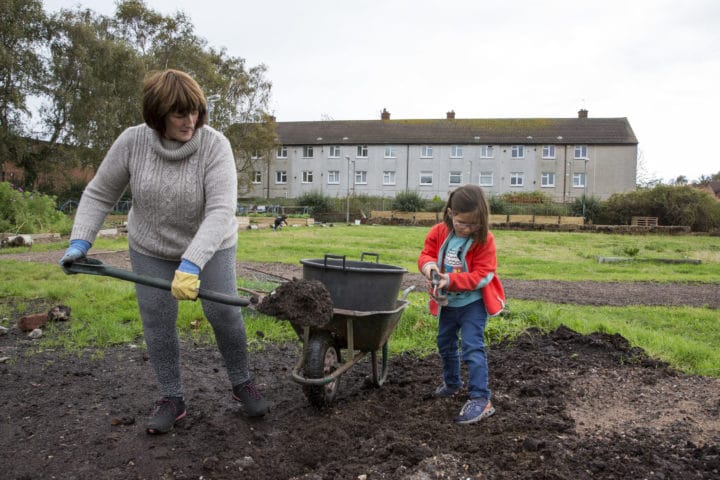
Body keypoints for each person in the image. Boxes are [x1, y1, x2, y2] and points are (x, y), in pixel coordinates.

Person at [59, 68, 270, 434]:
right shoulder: (132, 142)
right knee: (157, 319)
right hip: (151, 245)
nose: (190, 121)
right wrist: (80, 241)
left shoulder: (215, 145)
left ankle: (242, 382)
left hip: (211, 244)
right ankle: (172, 397)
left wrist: (192, 262)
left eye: (195, 112)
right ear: (158, 115)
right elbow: (99, 193)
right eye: (179, 113)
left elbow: (221, 210)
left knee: (223, 311)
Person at [417, 184, 505, 424]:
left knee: (471, 347)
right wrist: (430, 268)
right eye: (462, 223)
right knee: (444, 343)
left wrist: (450, 280)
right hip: (447, 304)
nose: (468, 229)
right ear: (450, 213)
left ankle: (480, 398)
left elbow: (484, 274)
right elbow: (425, 255)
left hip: (472, 305)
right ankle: (453, 383)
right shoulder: (438, 232)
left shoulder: (484, 240)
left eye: (474, 224)